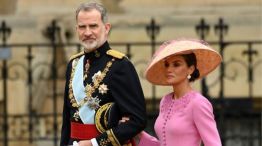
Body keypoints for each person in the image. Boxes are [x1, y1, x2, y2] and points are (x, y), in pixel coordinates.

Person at [60, 2, 147, 146]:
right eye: (82, 27)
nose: (87, 32)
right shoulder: (74, 64)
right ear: (76, 29)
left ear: (106, 28)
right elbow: (66, 121)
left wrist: (95, 143)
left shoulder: (120, 65)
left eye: (93, 26)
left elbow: (137, 120)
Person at [137, 39, 222, 146]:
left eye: (176, 64)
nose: (169, 69)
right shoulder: (165, 101)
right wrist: (138, 134)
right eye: (167, 65)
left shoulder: (198, 103)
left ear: (190, 69)